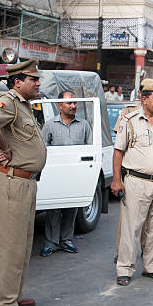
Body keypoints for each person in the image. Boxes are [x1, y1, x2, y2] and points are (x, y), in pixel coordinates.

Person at [0, 59, 47, 306]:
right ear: (17, 81)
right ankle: (4, 304)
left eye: (38, 79)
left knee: (24, 242)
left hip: (26, 182)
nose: (38, 83)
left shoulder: (24, 106)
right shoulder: (7, 102)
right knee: (11, 244)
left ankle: (14, 295)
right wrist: (1, 148)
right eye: (33, 79)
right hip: (12, 180)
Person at [111, 81, 153, 286]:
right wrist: (116, 180)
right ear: (144, 99)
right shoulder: (130, 120)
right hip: (135, 181)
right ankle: (125, 268)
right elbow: (118, 152)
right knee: (131, 227)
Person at [40, 90, 92, 257]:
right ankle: (51, 243)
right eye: (69, 103)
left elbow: (89, 148)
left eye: (75, 103)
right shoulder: (49, 125)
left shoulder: (84, 125)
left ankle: (67, 241)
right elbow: (43, 149)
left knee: (71, 208)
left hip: (75, 174)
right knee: (53, 209)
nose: (73, 106)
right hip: (56, 175)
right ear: (59, 105)